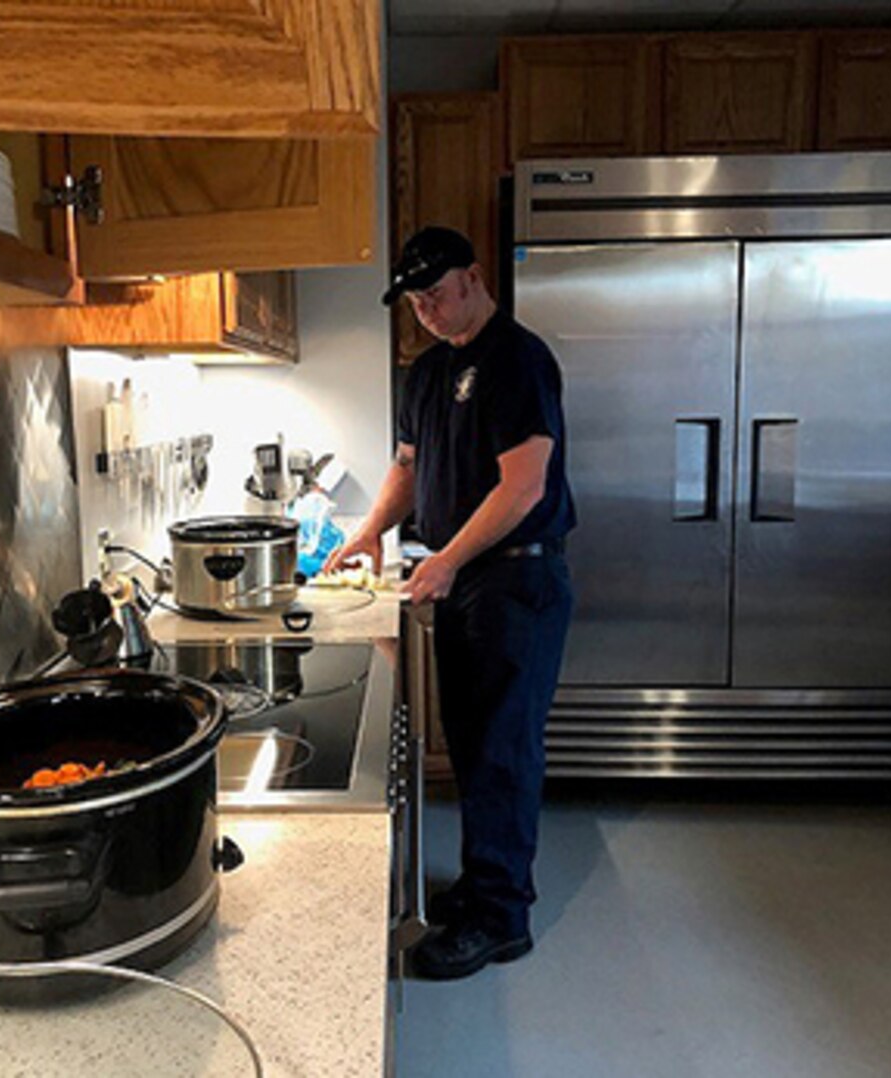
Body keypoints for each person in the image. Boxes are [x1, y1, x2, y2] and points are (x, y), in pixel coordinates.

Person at [326, 225, 577, 980]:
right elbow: (408, 467)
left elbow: (524, 485)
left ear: (473, 278)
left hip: (517, 581)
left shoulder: (518, 360)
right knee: (472, 745)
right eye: (413, 301)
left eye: (436, 294)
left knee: (502, 750)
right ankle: (482, 887)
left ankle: (502, 921)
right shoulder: (426, 372)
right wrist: (372, 530)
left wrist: (447, 559)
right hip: (466, 579)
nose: (426, 310)